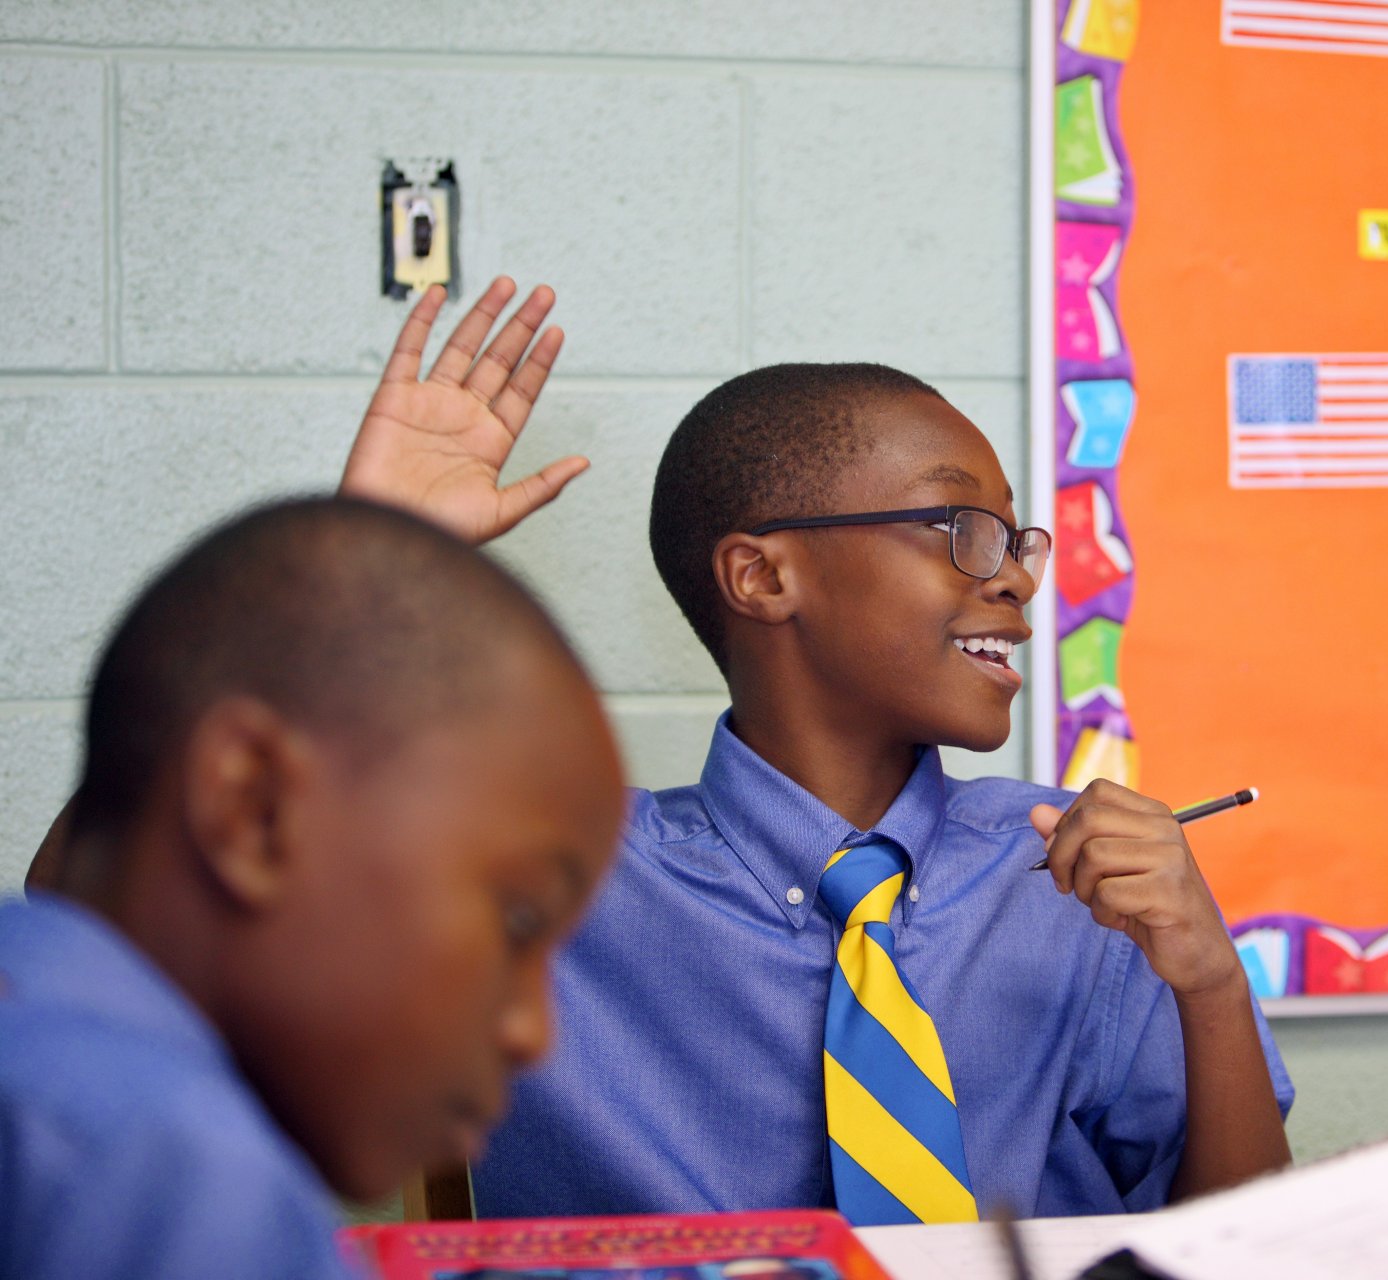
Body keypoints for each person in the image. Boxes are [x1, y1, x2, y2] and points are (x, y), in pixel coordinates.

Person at [340, 292, 1295, 1222]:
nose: (1013, 576)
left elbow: (1245, 1246)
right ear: (763, 576)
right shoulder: (554, 876)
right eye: (962, 530)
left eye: (1016, 541)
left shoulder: (1083, 874)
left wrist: (1208, 977)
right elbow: (285, 871)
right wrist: (364, 567)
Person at [2, 292, 626, 1278]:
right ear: (252, 810)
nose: (534, 1031)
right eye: (516, 919)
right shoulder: (170, 1164)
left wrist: (363, 555)